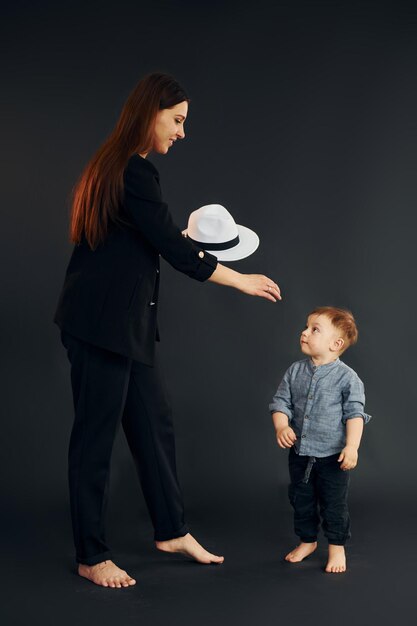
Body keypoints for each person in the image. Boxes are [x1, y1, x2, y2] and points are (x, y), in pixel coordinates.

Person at [54, 73, 281, 588]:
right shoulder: (133, 170)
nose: (182, 132)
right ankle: (91, 555)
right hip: (99, 328)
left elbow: (142, 241)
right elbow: (174, 252)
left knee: (154, 424)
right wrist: (240, 281)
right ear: (148, 114)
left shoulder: (126, 169)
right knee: (93, 441)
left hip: (125, 325)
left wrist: (174, 240)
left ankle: (170, 529)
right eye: (176, 120)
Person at [269, 306, 371, 573]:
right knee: (300, 500)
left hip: (332, 458)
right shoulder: (295, 371)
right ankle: (308, 540)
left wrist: (352, 446)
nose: (304, 332)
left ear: (336, 344)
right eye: (306, 327)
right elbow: (280, 402)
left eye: (314, 329)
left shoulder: (348, 378)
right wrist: (282, 426)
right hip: (301, 453)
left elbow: (355, 414)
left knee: (334, 504)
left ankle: (337, 548)